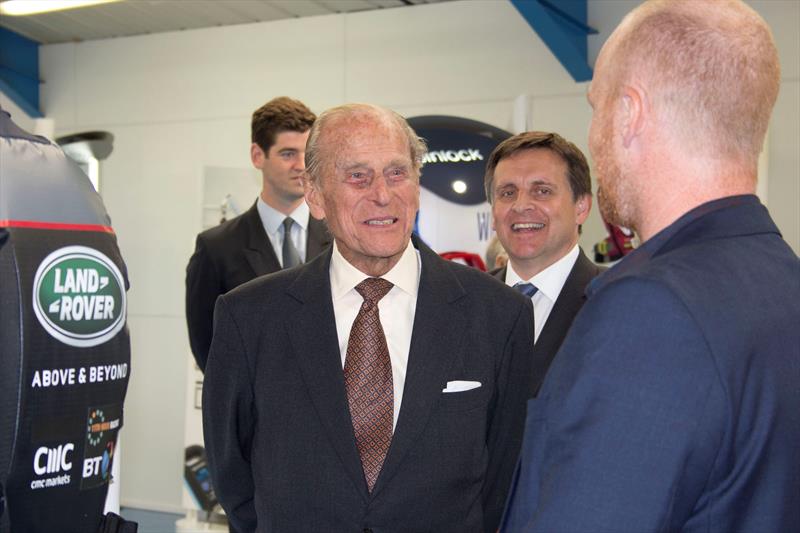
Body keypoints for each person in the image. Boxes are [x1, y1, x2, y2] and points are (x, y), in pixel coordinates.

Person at [501, 1, 800, 530]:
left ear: (629, 113)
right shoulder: (780, 276)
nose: (594, 136)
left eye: (596, 107)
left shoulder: (650, 309)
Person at [202, 103, 536, 532]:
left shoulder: (498, 314)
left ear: (416, 185)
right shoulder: (249, 318)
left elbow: (503, 475)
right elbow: (233, 476)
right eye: (357, 176)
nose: (383, 194)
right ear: (316, 197)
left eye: (397, 173)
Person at [185, 96, 330, 371]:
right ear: (257, 156)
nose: (301, 165)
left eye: (306, 154)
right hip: (255, 410)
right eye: (288, 154)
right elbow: (207, 349)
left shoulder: (339, 235)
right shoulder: (217, 247)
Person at [486, 132, 604, 395]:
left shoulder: (615, 301)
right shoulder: (467, 304)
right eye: (507, 192)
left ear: (581, 207)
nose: (521, 205)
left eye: (542, 191)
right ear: (493, 214)